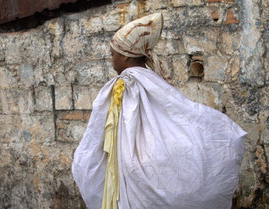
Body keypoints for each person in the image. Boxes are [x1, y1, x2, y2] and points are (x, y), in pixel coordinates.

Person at [72, 13, 247, 209]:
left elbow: (105, 130)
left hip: (132, 168)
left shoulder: (124, 84)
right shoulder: (153, 80)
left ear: (125, 55)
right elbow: (180, 111)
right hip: (152, 161)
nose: (112, 60)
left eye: (113, 54)